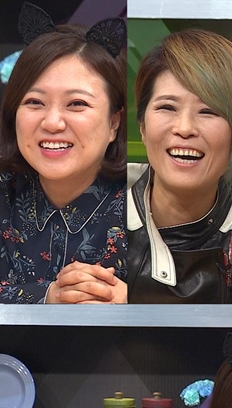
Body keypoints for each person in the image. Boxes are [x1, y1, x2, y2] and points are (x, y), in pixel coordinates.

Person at [0, 2, 127, 304]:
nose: (52, 123)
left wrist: (135, 302)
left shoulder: (148, 203)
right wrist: (47, 298)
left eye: (76, 104)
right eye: (34, 102)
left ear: (114, 122)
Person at [127, 29, 232, 304]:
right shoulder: (101, 203)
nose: (185, 128)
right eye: (167, 107)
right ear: (142, 126)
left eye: (208, 111)